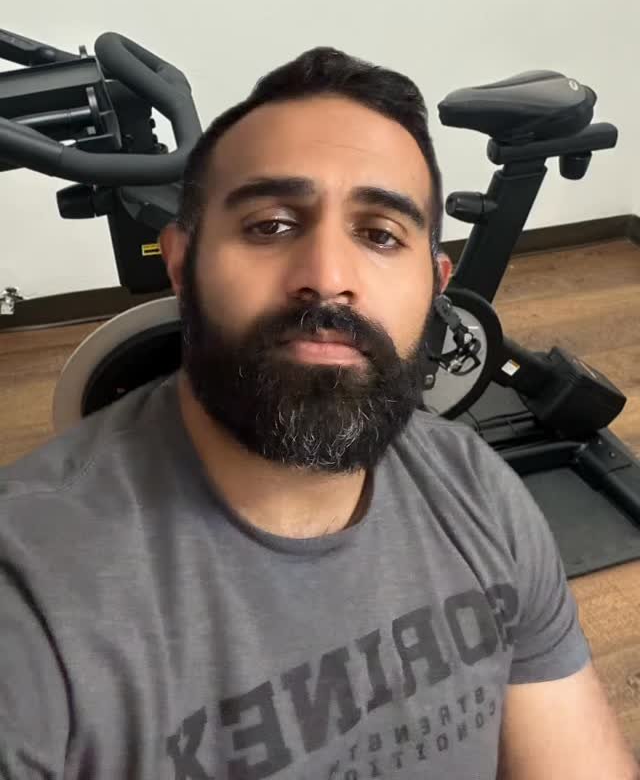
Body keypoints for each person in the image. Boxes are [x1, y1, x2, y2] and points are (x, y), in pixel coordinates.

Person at [0, 47, 637, 780]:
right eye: (271, 226)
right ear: (180, 265)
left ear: (435, 286)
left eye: (380, 235)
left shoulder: (479, 492)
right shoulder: (33, 596)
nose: (328, 278)